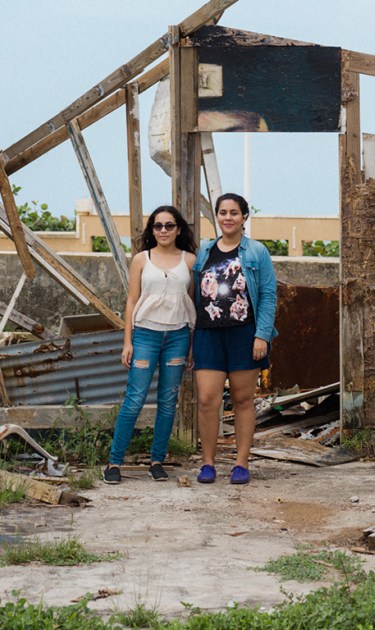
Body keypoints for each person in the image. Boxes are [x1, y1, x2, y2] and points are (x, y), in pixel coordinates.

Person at [103, 206, 196, 484]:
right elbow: (131, 301)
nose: (164, 231)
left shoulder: (190, 260)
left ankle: (157, 460)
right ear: (151, 230)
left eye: (169, 225)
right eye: (158, 226)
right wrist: (127, 341)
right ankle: (114, 463)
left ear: (179, 229)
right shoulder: (141, 260)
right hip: (145, 335)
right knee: (135, 399)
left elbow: (192, 305)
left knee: (168, 402)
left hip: (178, 336)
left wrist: (191, 345)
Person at [192, 193, 277, 485]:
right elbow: (195, 291)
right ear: (217, 216)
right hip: (208, 334)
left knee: (242, 399)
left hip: (245, 334)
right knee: (206, 399)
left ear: (244, 217)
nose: (228, 217)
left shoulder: (256, 252)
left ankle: (241, 463)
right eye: (223, 212)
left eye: (234, 213)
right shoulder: (204, 251)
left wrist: (261, 335)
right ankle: (208, 463)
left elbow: (268, 296)